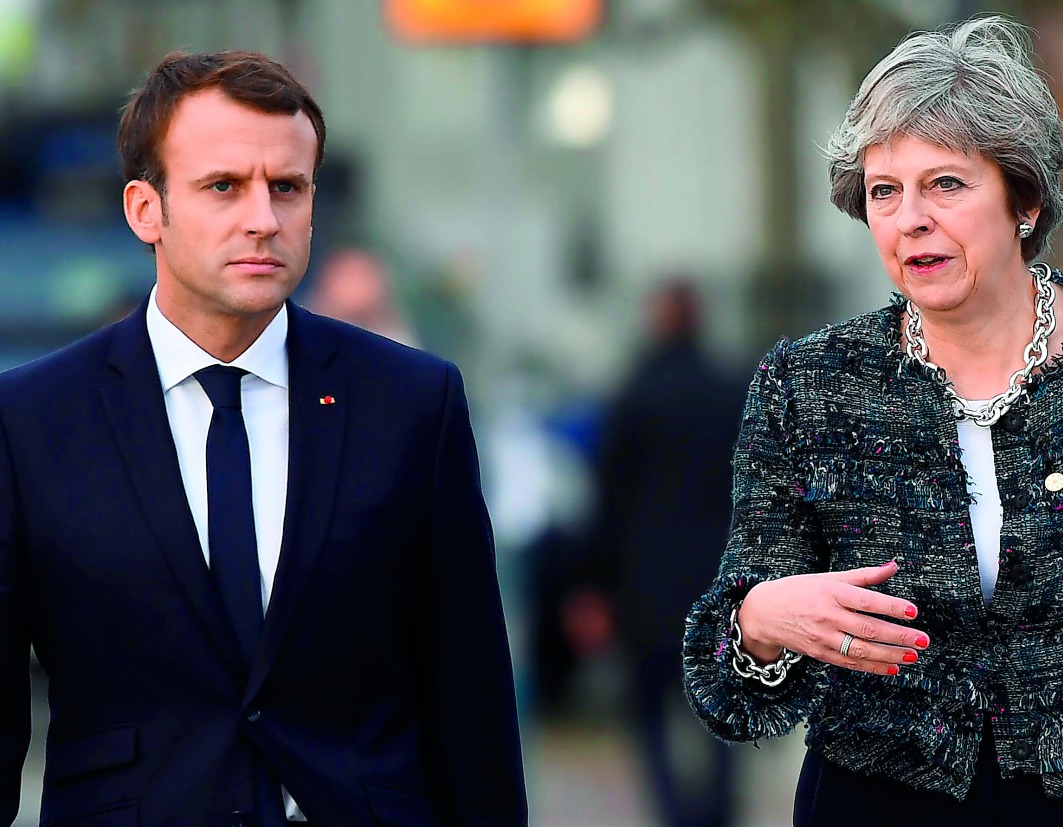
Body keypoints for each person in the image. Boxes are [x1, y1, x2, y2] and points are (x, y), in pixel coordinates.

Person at [683, 15, 1063, 827]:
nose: (909, 218)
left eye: (946, 184)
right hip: (879, 799)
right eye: (885, 191)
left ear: (1023, 199)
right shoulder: (808, 385)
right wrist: (760, 622)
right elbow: (726, 685)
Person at [0, 51, 526, 825]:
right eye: (223, 186)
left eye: (287, 187)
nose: (263, 219)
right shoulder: (32, 418)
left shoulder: (412, 402)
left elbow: (469, 696)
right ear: (146, 209)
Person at [588, 278, 745, 827]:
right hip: (719, 576)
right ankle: (718, 813)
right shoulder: (733, 389)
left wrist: (594, 586)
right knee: (722, 704)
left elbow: (606, 498)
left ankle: (675, 813)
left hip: (645, 580)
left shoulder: (634, 394)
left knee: (650, 712)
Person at [305, 247, 420, 347]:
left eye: (361, 277)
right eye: (347, 277)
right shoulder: (302, 329)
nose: (352, 286)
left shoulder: (395, 342)